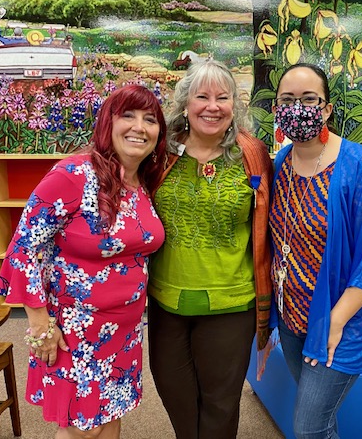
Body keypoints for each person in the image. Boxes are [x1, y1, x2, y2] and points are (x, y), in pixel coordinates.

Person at [0, 84, 167, 439]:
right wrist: (40, 326)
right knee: (82, 430)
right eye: (128, 116)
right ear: (108, 123)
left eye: (150, 119)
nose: (139, 126)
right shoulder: (73, 175)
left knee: (109, 417)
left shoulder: (144, 181)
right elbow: (22, 248)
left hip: (125, 331)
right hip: (76, 330)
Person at [269, 63, 362, 439]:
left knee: (308, 427)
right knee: (322, 420)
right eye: (287, 100)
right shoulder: (281, 164)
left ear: (325, 108)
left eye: (309, 99)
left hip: (342, 324)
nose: (298, 108)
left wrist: (335, 321)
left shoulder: (360, 166)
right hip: (292, 320)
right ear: (277, 108)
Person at [147, 59, 273, 439]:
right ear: (185, 103)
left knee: (220, 403)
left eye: (223, 97)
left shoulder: (252, 153)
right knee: (175, 395)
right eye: (202, 96)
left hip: (231, 301)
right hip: (167, 299)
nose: (212, 106)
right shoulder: (160, 153)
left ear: (235, 105)